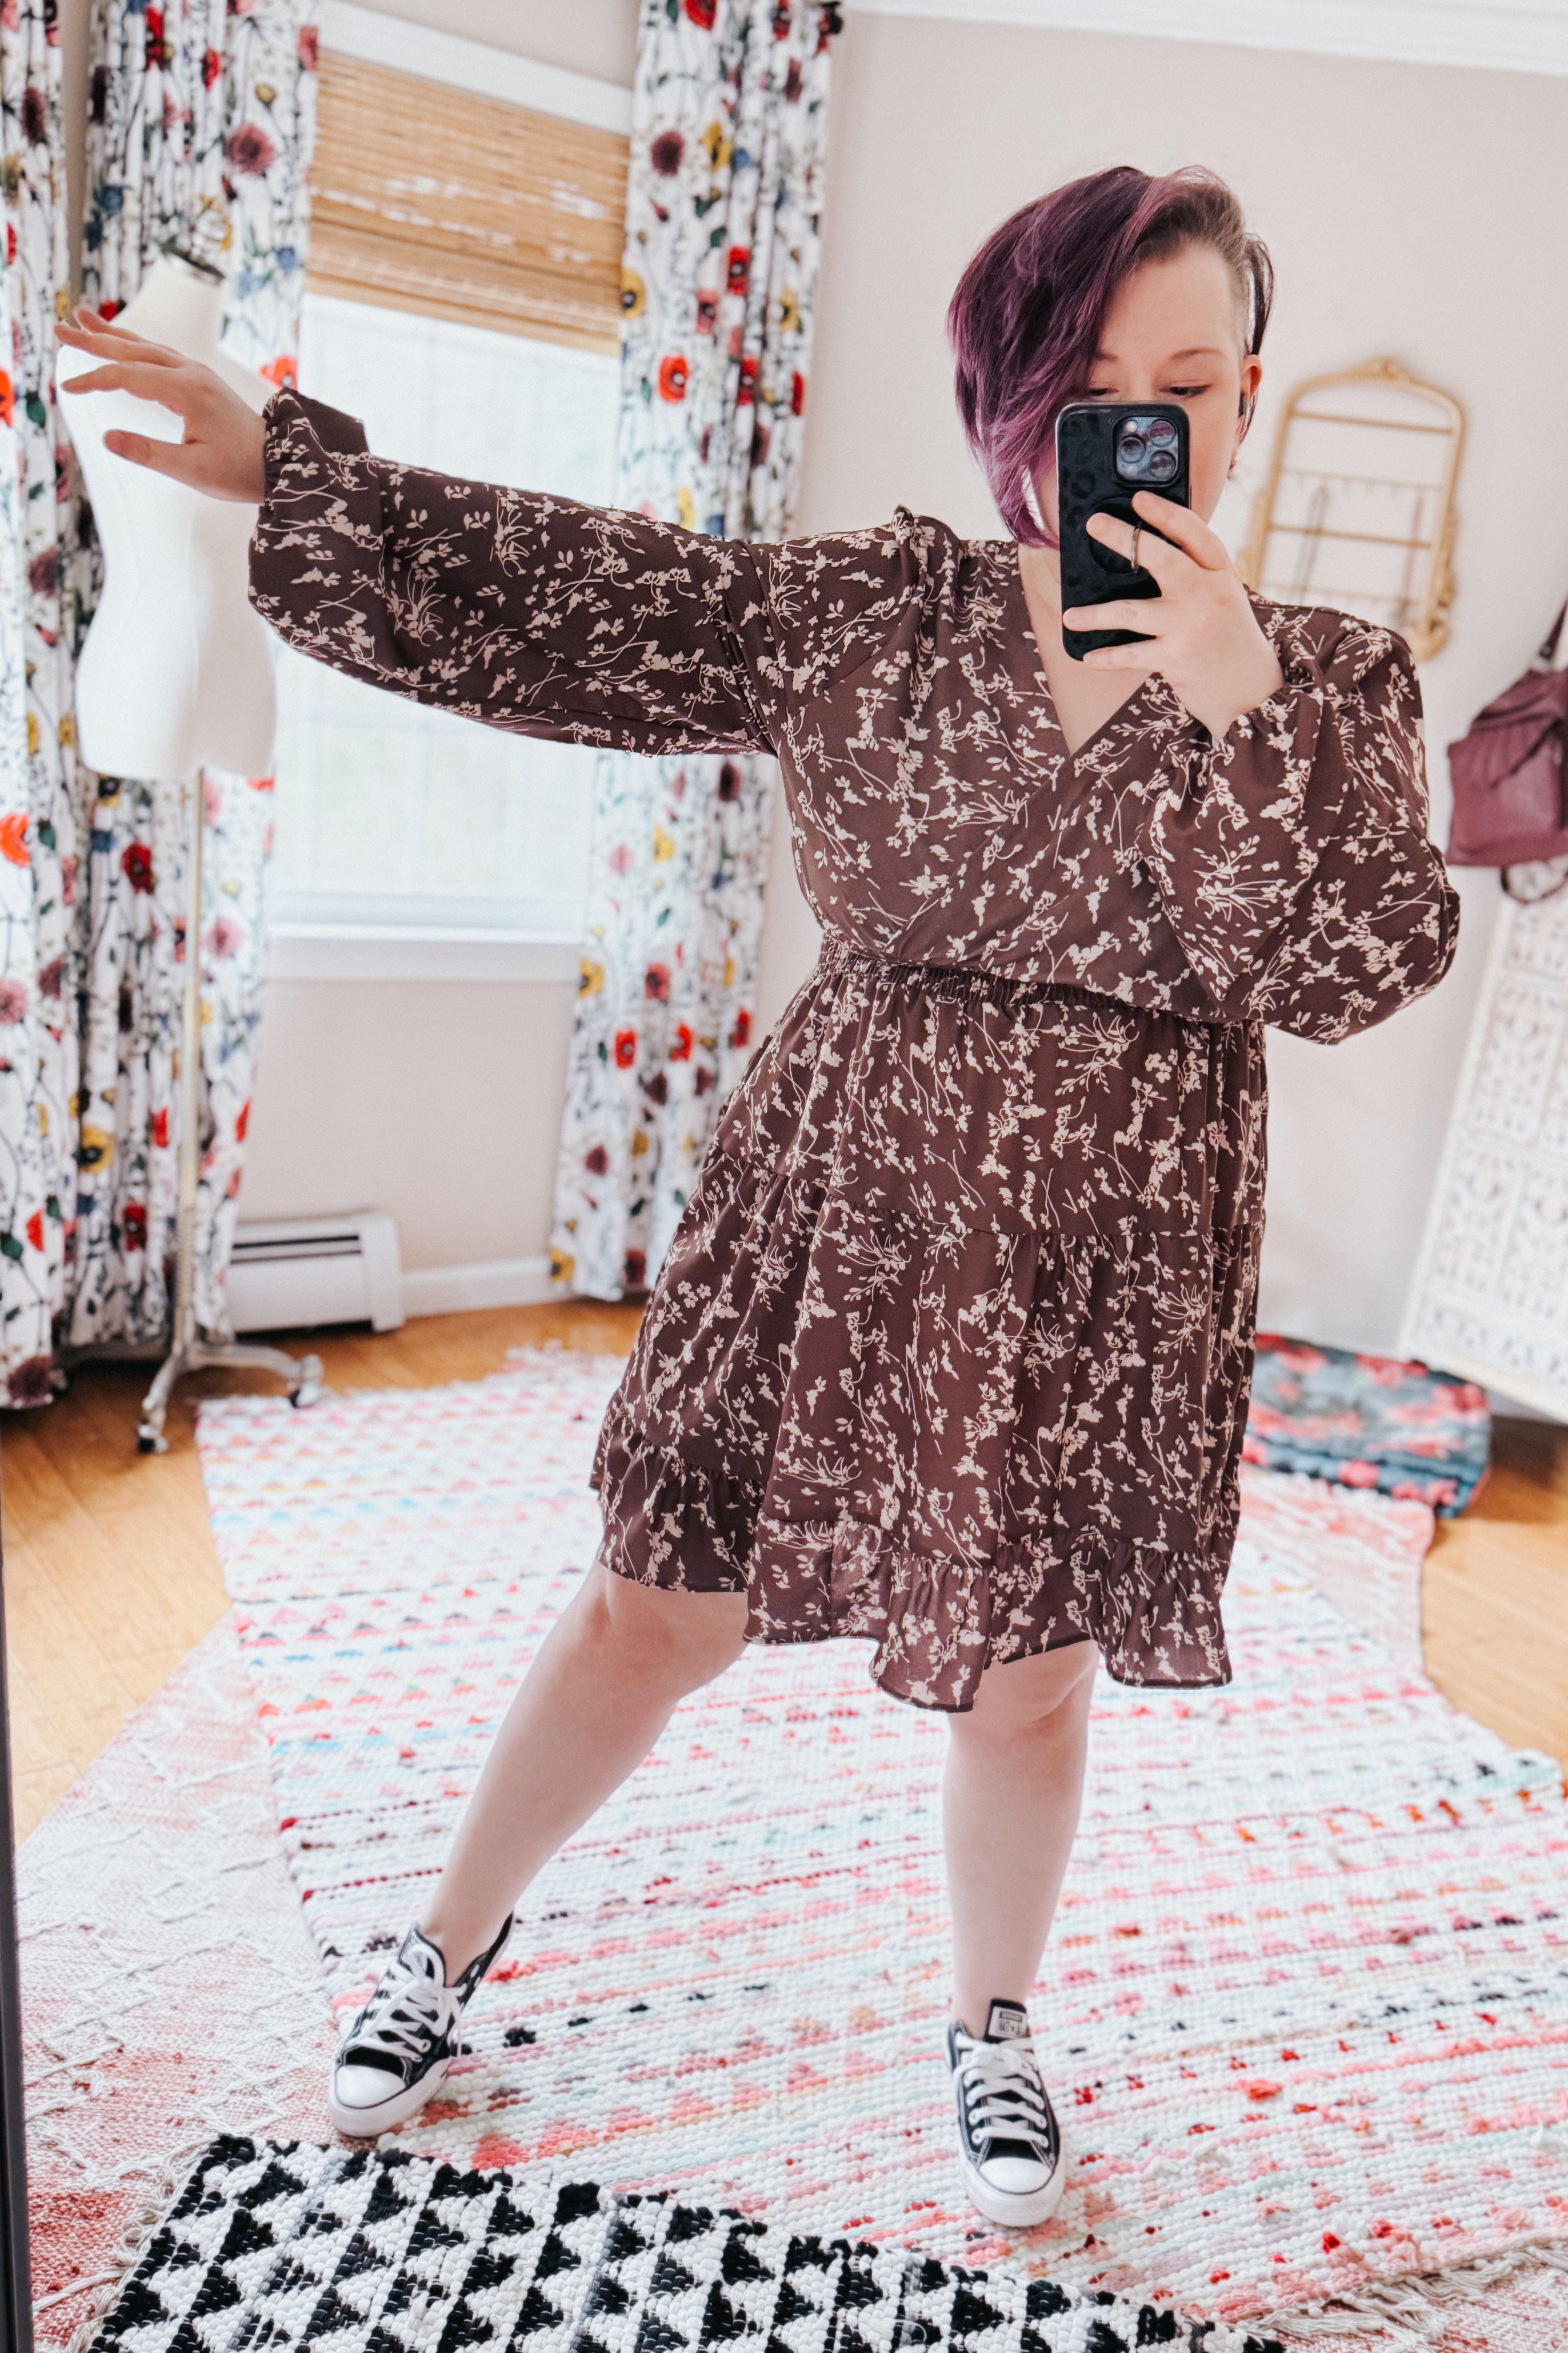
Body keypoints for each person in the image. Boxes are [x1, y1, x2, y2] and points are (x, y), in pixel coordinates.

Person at [59, 164, 1458, 2233]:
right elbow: (586, 600)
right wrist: (297, 480)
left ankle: (991, 2022)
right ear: (1011, 406)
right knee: (653, 1604)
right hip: (839, 1210)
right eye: (1088, 384)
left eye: (1184, 385)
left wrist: (1240, 698)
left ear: (1242, 400)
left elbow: (1346, 963)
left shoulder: (1329, 683)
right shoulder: (875, 613)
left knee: (1029, 1667)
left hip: (1105, 1261)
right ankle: (444, 1944)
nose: (1137, 431)